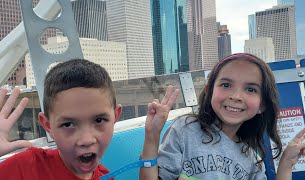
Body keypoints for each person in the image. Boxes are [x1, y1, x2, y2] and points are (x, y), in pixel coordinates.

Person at [140, 53, 305, 180]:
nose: (236, 96)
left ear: (262, 105)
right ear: (209, 92)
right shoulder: (185, 129)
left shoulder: (252, 160)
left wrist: (286, 164)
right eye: (225, 84)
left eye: (251, 89)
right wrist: (152, 137)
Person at [0, 59, 180, 180]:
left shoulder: (106, 176)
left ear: (115, 117)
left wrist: (152, 135)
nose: (86, 139)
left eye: (99, 120)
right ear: (47, 125)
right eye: (68, 124)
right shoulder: (25, 169)